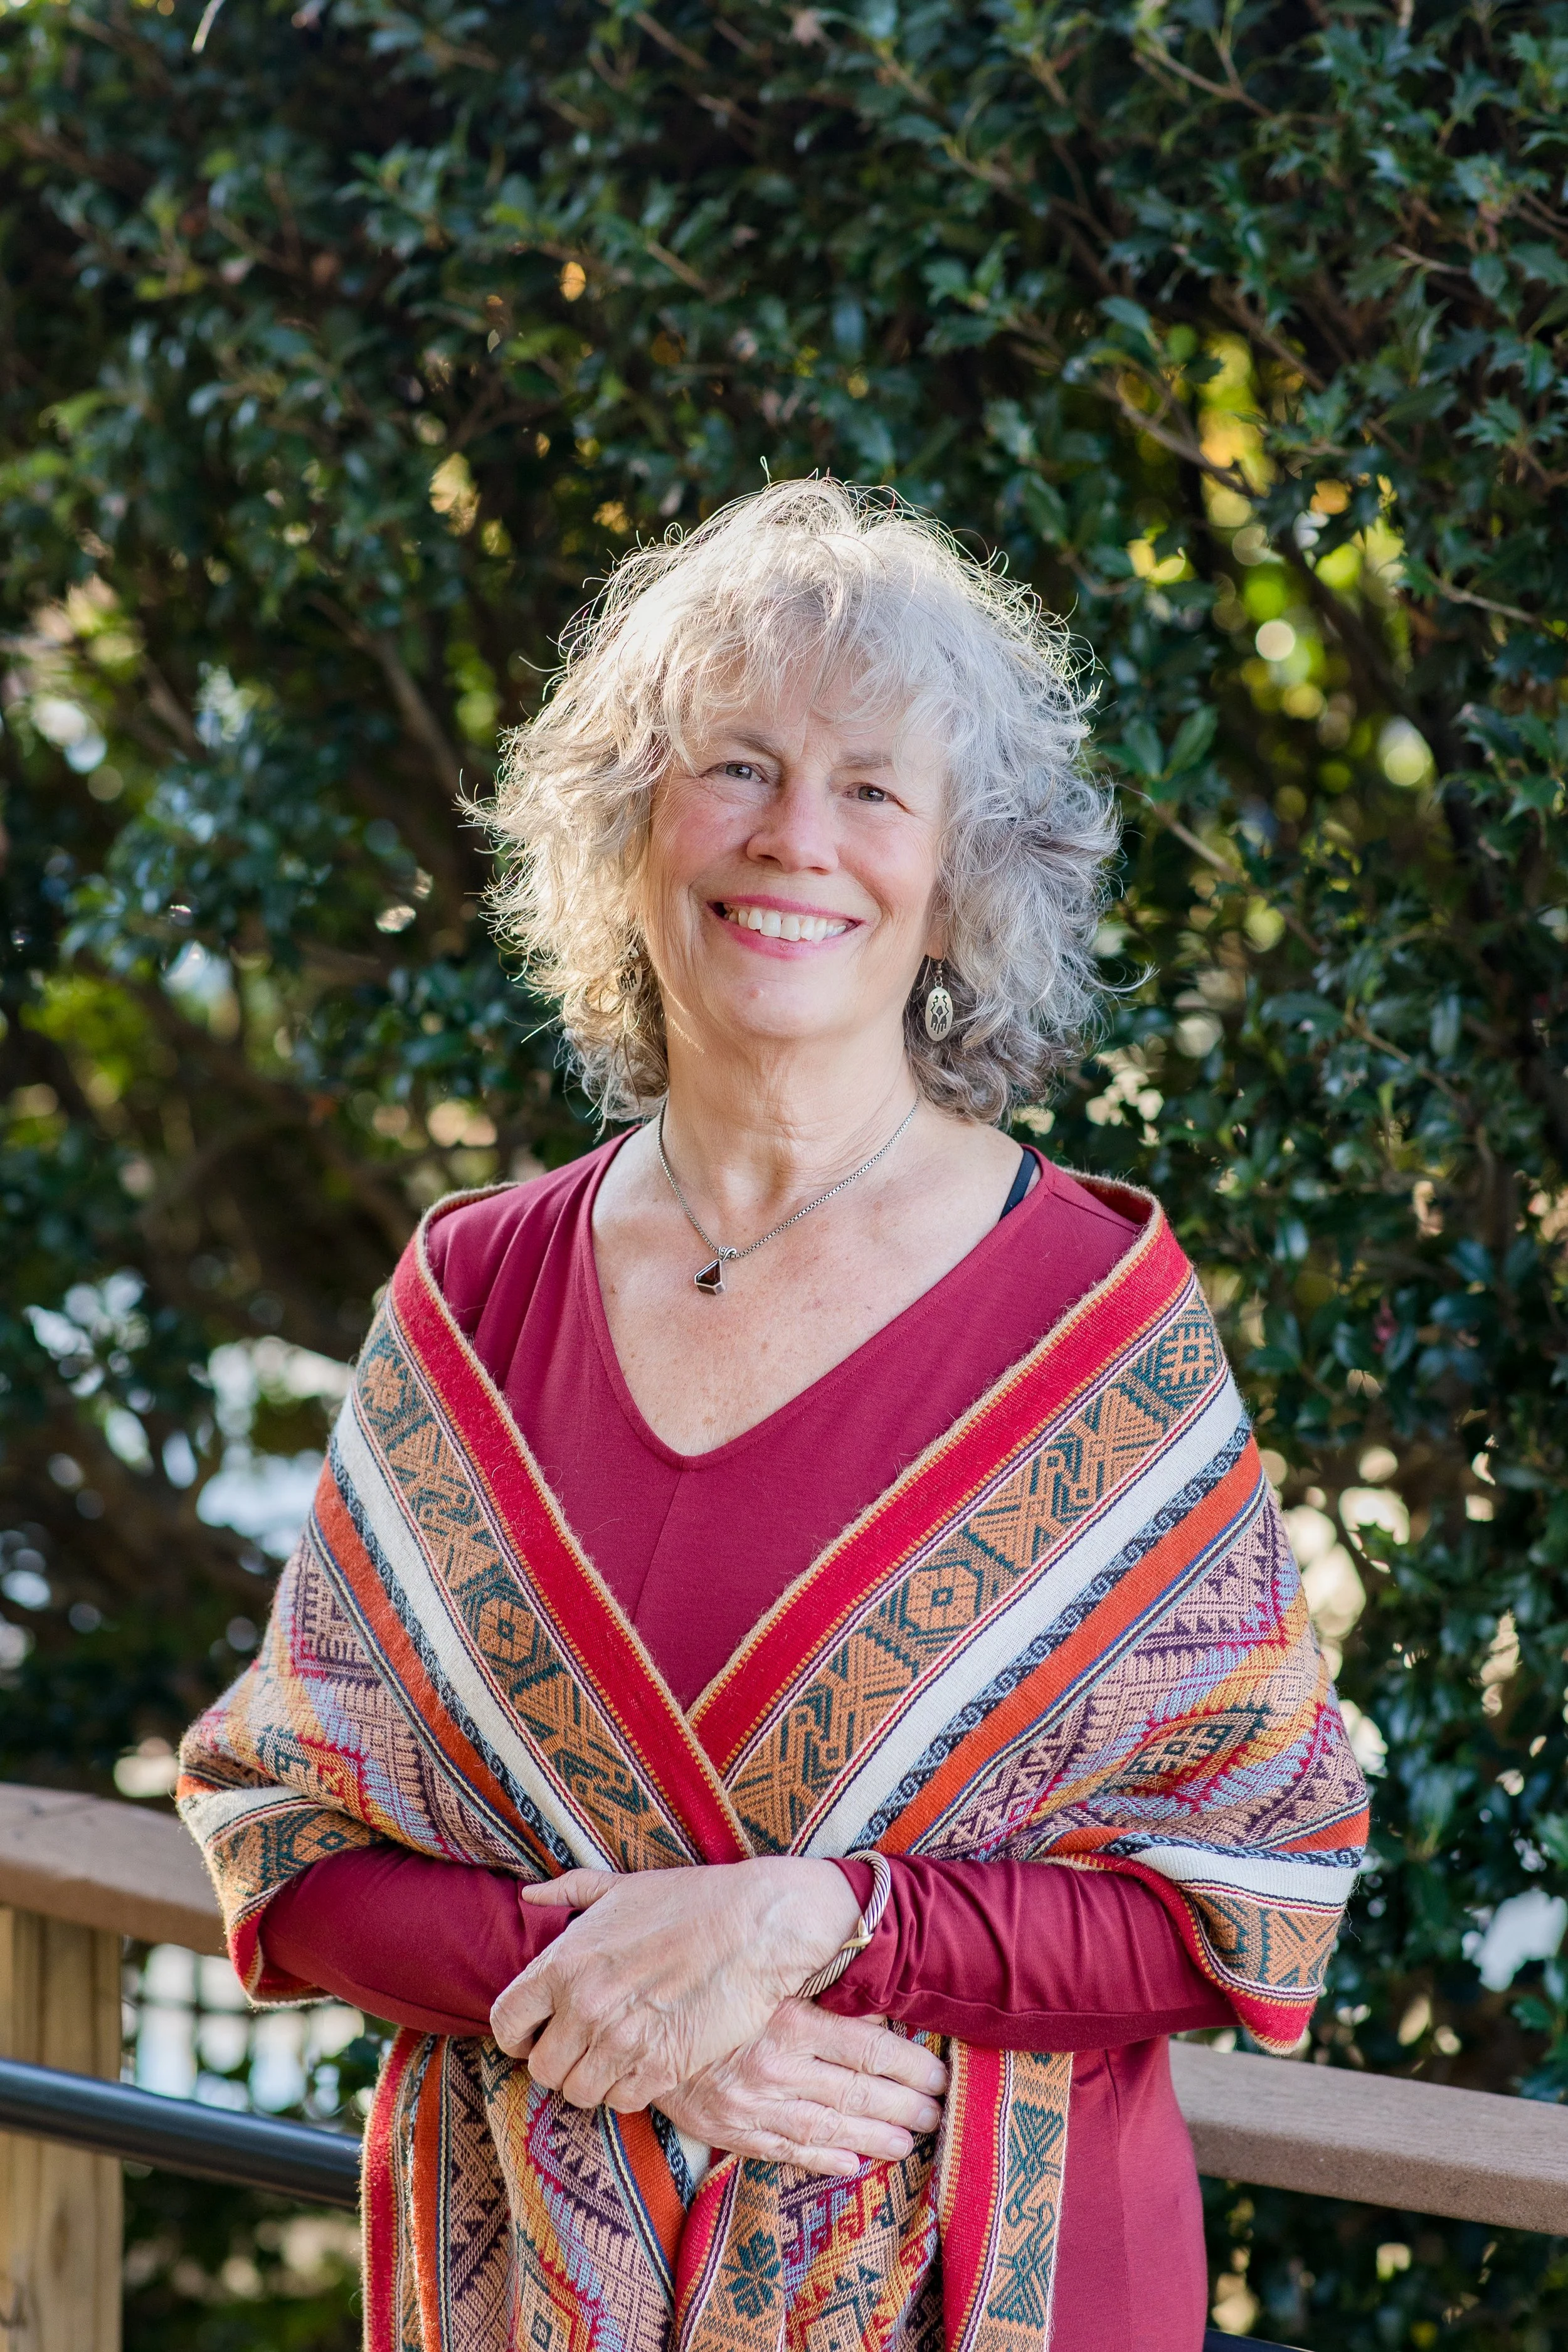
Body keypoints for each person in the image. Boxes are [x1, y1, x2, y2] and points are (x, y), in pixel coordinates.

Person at [179, 480, 1367, 2352]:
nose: (795, 836)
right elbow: (287, 1838)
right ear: (628, 824)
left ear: (958, 869)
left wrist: (809, 1921)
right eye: (732, 764)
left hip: (1000, 2288)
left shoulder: (1091, 1322)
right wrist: (628, 2013)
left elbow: (1237, 1894)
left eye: (872, 787)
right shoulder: (476, 1295)